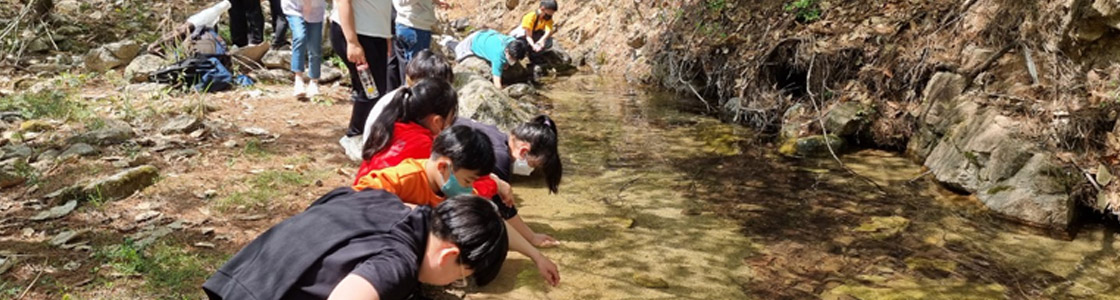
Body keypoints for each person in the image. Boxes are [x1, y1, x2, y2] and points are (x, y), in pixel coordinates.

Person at [202, 189, 508, 300]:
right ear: (450, 255)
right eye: (460, 276)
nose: (451, 284)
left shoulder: (380, 198)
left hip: (240, 280)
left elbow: (324, 205)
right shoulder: (397, 263)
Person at [354, 126, 562, 287]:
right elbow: (356, 200)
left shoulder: (454, 190)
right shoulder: (402, 178)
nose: (470, 188)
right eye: (468, 181)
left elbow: (493, 225)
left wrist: (537, 257)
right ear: (444, 167)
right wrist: (419, 214)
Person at [456, 115, 563, 247]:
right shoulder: (499, 158)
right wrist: (531, 238)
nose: (530, 171)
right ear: (524, 151)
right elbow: (504, 208)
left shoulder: (496, 135)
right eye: (533, 166)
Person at [355, 77, 458, 181]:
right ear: (437, 122)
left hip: (359, 193)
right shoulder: (424, 146)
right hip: (381, 196)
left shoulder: (390, 126)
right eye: (451, 118)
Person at [331, 0, 394, 162]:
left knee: (376, 89)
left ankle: (365, 135)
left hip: (375, 35)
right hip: (358, 35)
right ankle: (353, 136)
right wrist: (352, 42)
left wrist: (386, 36)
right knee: (369, 89)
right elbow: (343, 2)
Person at [386, 0, 450, 90]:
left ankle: (405, 95)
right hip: (415, 26)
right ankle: (411, 99)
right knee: (416, 71)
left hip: (405, 25)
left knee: (407, 68)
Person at [453, 29, 530, 88]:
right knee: (456, 49)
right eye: (512, 58)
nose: (514, 61)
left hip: (487, 34)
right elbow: (497, 82)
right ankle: (446, 41)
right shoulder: (498, 57)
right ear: (506, 51)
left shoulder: (513, 42)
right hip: (472, 42)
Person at [282, 0, 327, 99]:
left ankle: (314, 81)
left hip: (316, 9)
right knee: (300, 37)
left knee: (315, 47)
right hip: (294, 6)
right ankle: (298, 80)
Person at [511, 0, 558, 77]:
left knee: (549, 41)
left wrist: (542, 41)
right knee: (523, 46)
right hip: (521, 36)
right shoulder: (530, 17)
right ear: (543, 8)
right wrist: (533, 45)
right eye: (551, 11)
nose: (552, 14)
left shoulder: (547, 18)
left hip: (533, 34)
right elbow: (528, 36)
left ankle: (534, 57)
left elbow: (548, 31)